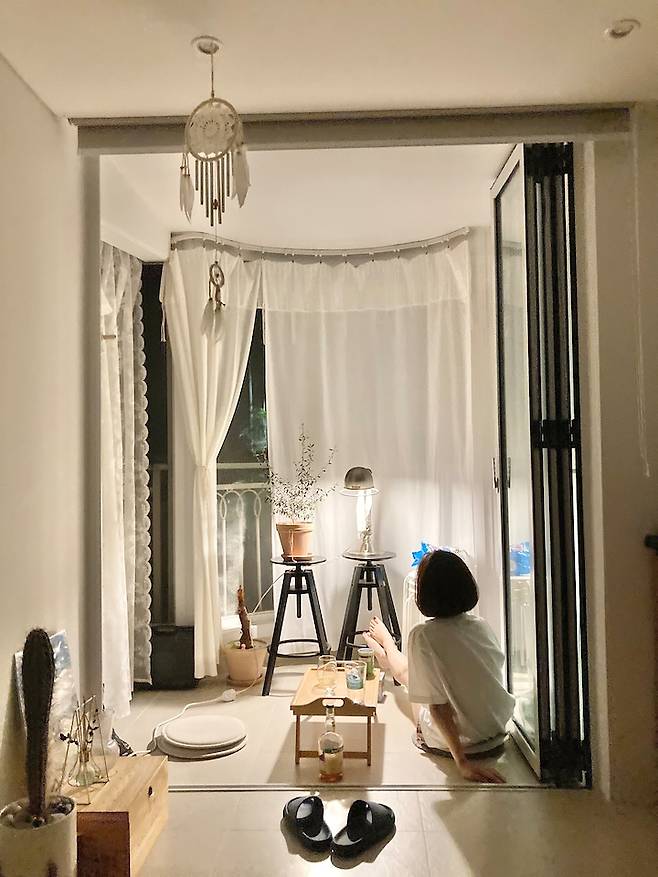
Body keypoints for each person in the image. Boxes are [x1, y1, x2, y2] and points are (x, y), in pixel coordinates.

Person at [363, 549, 515, 784]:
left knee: (409, 680)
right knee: (418, 675)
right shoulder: (481, 625)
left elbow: (437, 707)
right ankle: (388, 655)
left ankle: (388, 649)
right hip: (496, 732)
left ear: (423, 594)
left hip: (459, 744)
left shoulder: (422, 635)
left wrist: (462, 763)